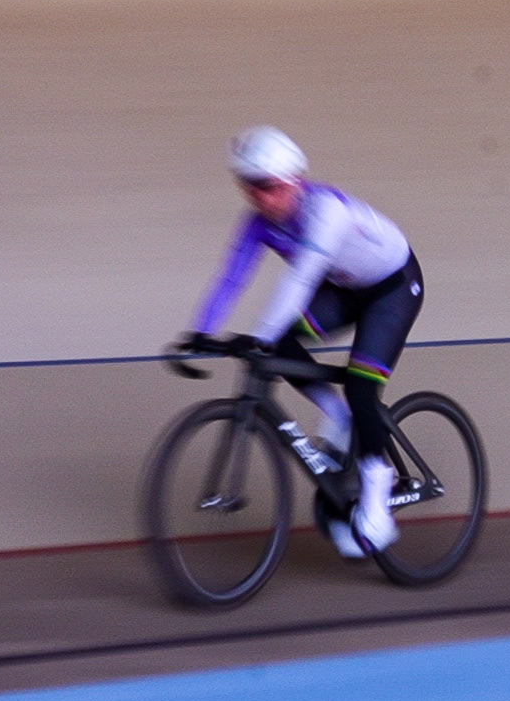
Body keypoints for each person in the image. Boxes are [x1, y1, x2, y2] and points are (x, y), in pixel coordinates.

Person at [181, 126, 423, 556]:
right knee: (280, 345)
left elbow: (300, 279)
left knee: (361, 385)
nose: (259, 198)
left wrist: (258, 336)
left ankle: (375, 505)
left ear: (294, 180)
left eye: (267, 186)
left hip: (392, 289)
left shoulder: (326, 210)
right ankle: (337, 415)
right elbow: (232, 278)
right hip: (345, 290)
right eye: (249, 187)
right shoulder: (257, 223)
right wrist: (201, 332)